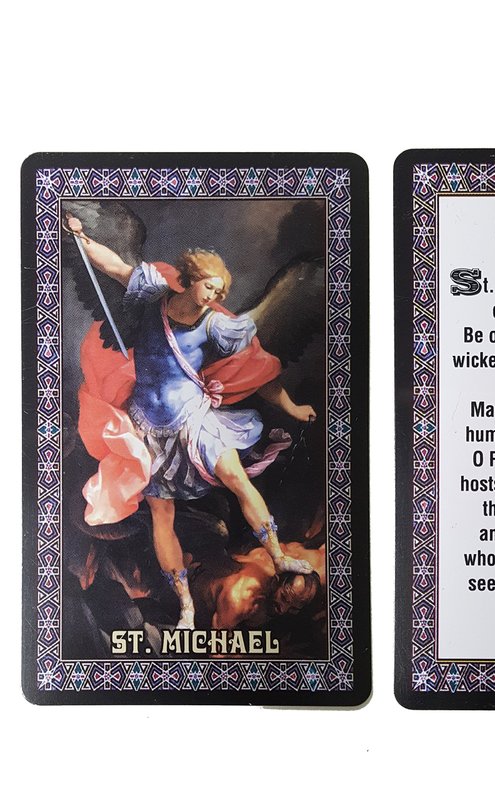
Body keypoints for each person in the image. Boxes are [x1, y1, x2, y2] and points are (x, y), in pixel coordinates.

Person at [67, 214, 317, 629]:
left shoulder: (217, 325)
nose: (213, 296)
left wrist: (290, 407)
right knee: (161, 515)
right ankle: (185, 604)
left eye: (220, 292)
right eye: (209, 287)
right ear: (189, 279)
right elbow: (113, 266)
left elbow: (255, 370)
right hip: (149, 430)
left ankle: (278, 555)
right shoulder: (152, 296)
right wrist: (81, 237)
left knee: (238, 480)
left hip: (197, 422)